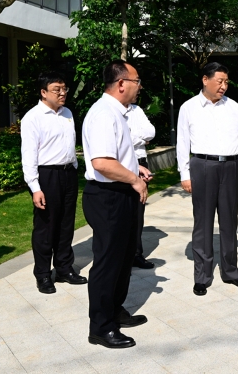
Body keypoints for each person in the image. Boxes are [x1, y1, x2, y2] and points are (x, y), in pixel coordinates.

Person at [82, 60, 152, 349]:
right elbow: (101, 163)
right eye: (136, 81)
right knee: (108, 263)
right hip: (107, 196)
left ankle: (114, 310)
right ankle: (101, 327)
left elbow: (117, 155)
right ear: (121, 83)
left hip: (120, 193)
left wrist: (135, 169)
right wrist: (134, 180)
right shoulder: (103, 114)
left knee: (123, 259)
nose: (139, 87)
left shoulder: (118, 113)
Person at [177, 62, 238, 296]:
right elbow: (182, 143)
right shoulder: (189, 107)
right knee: (203, 221)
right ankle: (202, 276)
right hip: (203, 165)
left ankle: (231, 271)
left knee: (229, 220)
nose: (224, 86)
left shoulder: (234, 107)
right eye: (220, 81)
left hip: (230, 166)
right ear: (205, 80)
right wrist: (184, 174)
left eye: (226, 82)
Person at [21, 71, 87, 294]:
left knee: (66, 224)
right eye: (56, 90)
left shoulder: (67, 113)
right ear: (43, 92)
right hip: (47, 175)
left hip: (68, 174)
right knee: (46, 227)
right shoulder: (33, 117)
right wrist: (35, 188)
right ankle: (42, 274)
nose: (62, 93)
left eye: (64, 89)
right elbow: (29, 155)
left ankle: (64, 268)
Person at [125, 101, 156, 269]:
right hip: (124, 164)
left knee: (138, 210)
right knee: (122, 211)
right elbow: (121, 139)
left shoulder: (137, 110)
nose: (139, 89)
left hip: (141, 162)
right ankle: (123, 255)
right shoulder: (111, 110)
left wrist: (132, 136)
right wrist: (141, 139)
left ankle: (136, 254)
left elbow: (151, 132)